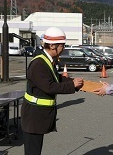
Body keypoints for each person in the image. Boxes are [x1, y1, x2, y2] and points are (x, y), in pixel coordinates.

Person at [21, 27, 84, 155]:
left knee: (35, 151)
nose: (63, 48)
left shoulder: (47, 60)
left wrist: (72, 82)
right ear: (53, 46)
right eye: (62, 45)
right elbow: (49, 86)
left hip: (38, 116)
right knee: (33, 151)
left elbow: (56, 77)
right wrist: (72, 85)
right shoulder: (39, 63)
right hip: (33, 117)